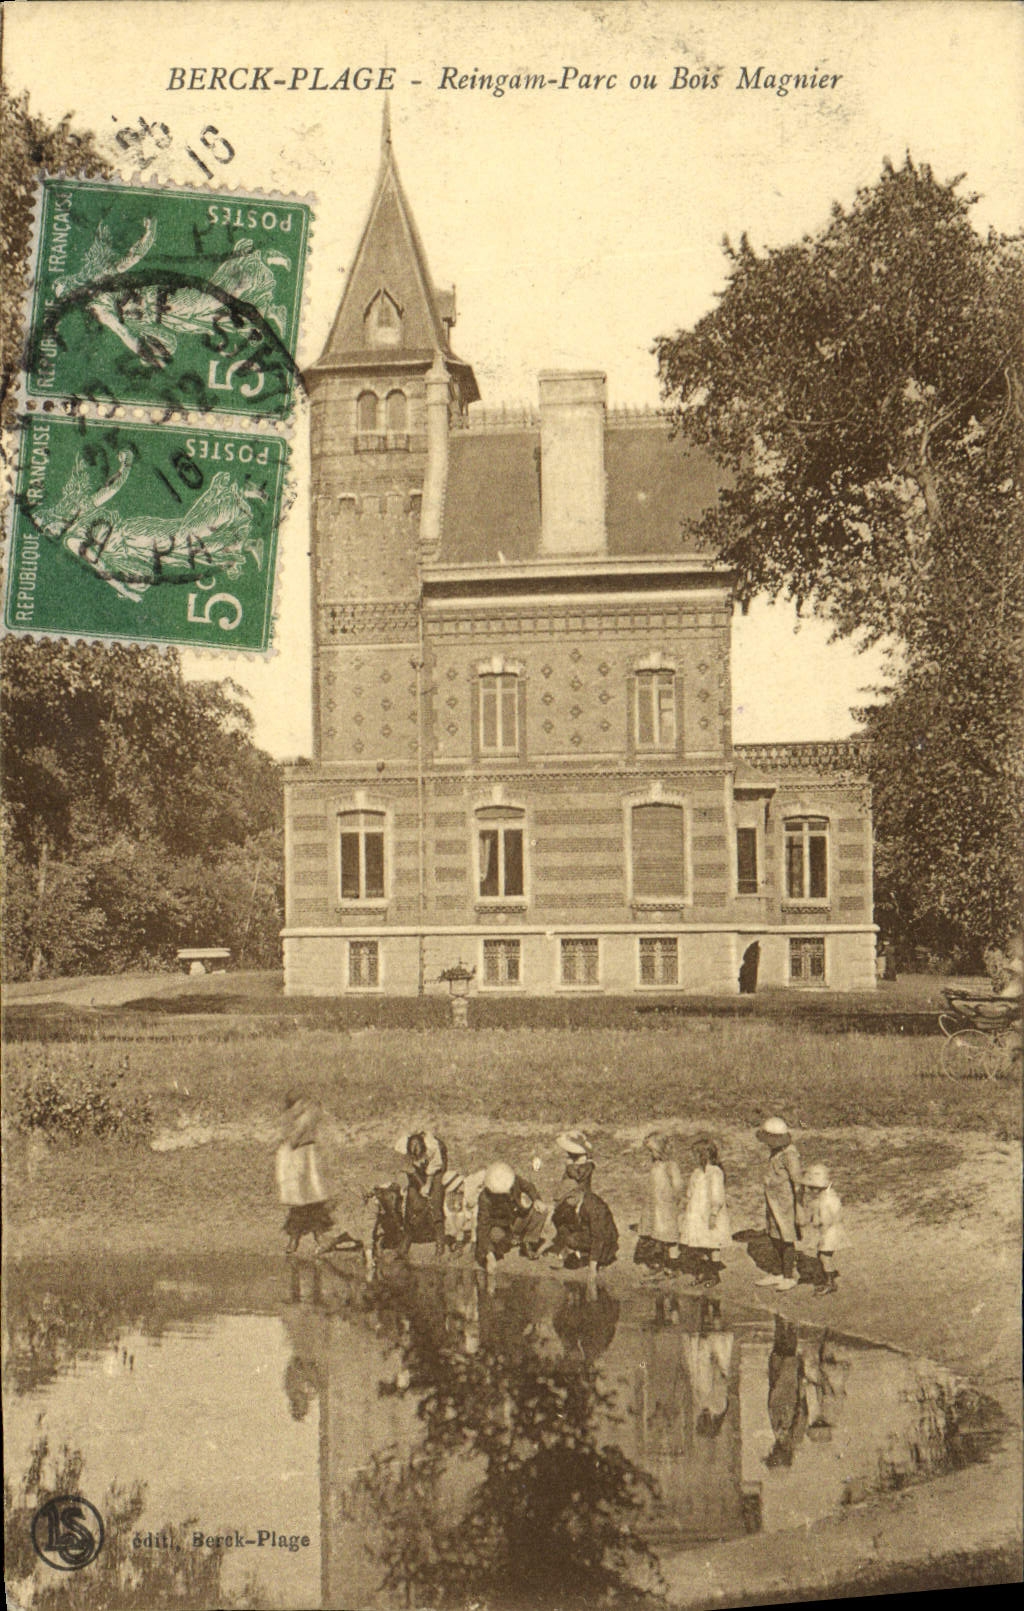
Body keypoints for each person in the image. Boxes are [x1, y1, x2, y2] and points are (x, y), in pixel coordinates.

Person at [276, 1091, 334, 1256]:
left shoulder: (301, 1119)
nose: (303, 1107)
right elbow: (293, 1142)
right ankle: (297, 1240)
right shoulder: (294, 1121)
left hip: (306, 1159)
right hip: (297, 1160)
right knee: (302, 1202)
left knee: (312, 1201)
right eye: (299, 1104)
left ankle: (314, 1239)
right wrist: (303, 1126)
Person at [549, 1158, 619, 1285]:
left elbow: (599, 1237)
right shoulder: (576, 1203)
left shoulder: (593, 1206)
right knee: (568, 1235)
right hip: (587, 1232)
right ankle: (582, 1254)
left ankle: (596, 1259)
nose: (565, 1205)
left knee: (591, 1247)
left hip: (606, 1239)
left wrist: (592, 1270)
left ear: (574, 1196)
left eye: (566, 1201)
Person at [755, 1116, 802, 1291]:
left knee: (786, 1237)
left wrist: (799, 1207)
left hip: (786, 1203)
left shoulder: (789, 1155)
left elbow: (797, 1182)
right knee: (774, 1235)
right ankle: (777, 1272)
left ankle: (788, 1275)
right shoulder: (776, 1152)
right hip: (773, 1201)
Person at [474, 1162, 548, 1271]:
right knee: (496, 1238)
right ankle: (506, 1243)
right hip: (501, 1226)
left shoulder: (514, 1180)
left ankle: (528, 1242)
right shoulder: (485, 1198)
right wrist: (489, 1255)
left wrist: (536, 1199)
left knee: (540, 1211)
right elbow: (482, 1226)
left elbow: (529, 1187)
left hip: (517, 1217)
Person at [681, 1137, 731, 1288]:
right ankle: (703, 1273)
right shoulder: (697, 1172)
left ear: (704, 1155)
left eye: (695, 1154)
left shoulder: (715, 1173)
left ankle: (714, 1275)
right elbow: (690, 1191)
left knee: (713, 1243)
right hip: (697, 1214)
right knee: (700, 1243)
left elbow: (717, 1194)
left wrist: (714, 1213)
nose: (693, 1158)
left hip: (709, 1214)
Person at [633, 1132, 684, 1272]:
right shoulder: (655, 1164)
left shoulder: (670, 1165)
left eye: (652, 1151)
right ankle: (660, 1263)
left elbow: (678, 1184)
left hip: (666, 1205)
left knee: (669, 1235)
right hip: (654, 1205)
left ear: (661, 1149)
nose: (650, 1154)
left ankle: (673, 1266)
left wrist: (676, 1198)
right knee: (656, 1233)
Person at [396, 1130, 448, 1256]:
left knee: (435, 1200)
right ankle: (406, 1239)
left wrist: (428, 1185)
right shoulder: (402, 1148)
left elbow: (433, 1169)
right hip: (416, 1170)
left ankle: (440, 1242)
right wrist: (420, 1185)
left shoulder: (433, 1147)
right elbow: (409, 1170)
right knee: (411, 1198)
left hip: (436, 1168)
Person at [801, 1163, 845, 1297]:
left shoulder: (826, 1200)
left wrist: (817, 1223)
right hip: (830, 1231)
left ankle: (830, 1282)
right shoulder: (828, 1196)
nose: (811, 1190)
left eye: (812, 1188)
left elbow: (826, 1219)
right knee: (823, 1256)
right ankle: (826, 1278)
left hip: (828, 1233)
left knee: (824, 1257)